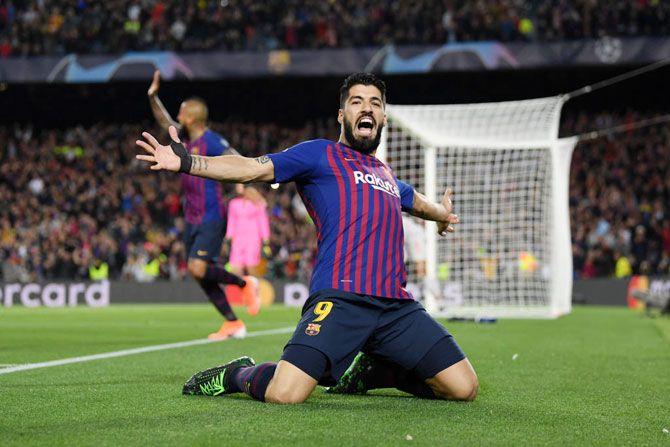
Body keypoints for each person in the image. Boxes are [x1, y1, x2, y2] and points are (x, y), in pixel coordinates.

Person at [136, 72, 478, 404]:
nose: (367, 108)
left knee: (463, 387)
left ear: (383, 117)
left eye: (375, 103)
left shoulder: (386, 174)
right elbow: (252, 168)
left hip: (395, 307)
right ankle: (236, 374)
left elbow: (413, 200)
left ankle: (376, 373)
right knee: (285, 394)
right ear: (342, 115)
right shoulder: (318, 155)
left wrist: (440, 214)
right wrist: (187, 163)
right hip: (342, 298)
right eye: (357, 101)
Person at [147, 70, 259, 340]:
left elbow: (233, 156)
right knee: (199, 273)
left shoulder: (210, 139)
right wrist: (152, 97)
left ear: (192, 116)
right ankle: (233, 322)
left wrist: (242, 184)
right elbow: (165, 121)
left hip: (211, 213)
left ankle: (245, 283)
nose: (178, 116)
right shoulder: (185, 140)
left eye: (182, 112)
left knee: (198, 267)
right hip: (192, 216)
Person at [225, 184, 271, 277]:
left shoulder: (257, 203)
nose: (237, 187)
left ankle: (255, 289)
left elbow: (262, 221)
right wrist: (228, 238)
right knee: (235, 267)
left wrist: (266, 240)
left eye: (240, 185)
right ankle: (239, 289)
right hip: (237, 239)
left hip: (253, 238)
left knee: (251, 266)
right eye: (237, 185)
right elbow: (231, 221)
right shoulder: (233, 203)